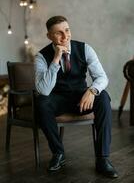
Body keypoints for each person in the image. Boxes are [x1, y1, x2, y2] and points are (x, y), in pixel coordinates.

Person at [34, 15, 118, 178]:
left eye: (67, 30)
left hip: (81, 99)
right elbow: (44, 90)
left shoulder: (85, 49)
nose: (65, 36)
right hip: (57, 100)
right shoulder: (41, 57)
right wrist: (56, 59)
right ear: (49, 36)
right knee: (42, 102)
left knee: (103, 97)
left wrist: (92, 91)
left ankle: (102, 159)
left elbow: (102, 77)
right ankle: (58, 153)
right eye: (59, 33)